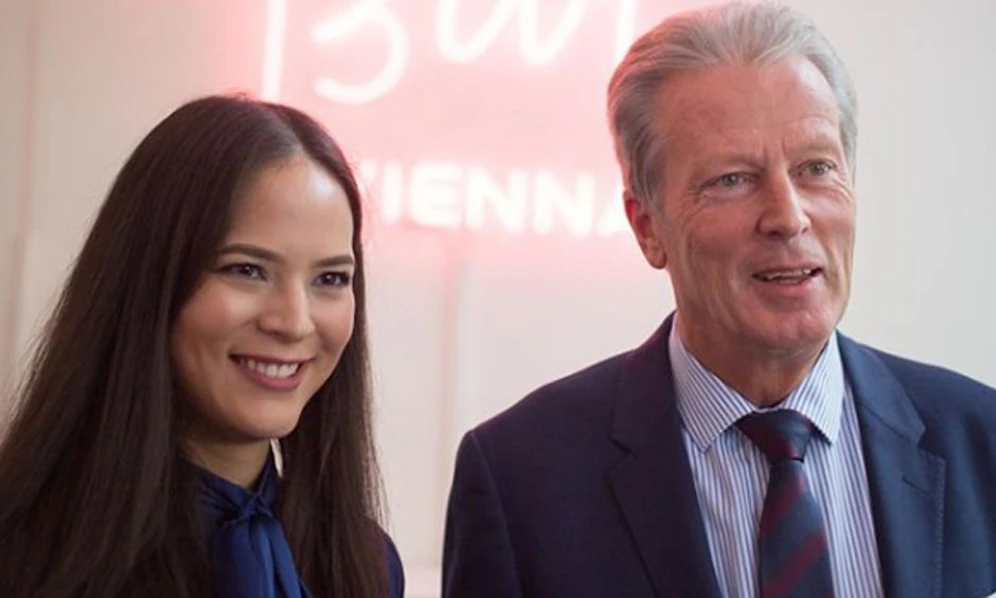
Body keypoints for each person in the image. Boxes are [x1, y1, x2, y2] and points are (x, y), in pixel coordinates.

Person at [442, 3, 996, 597]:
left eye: (816, 168)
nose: (788, 216)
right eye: (732, 179)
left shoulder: (981, 440)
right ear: (647, 227)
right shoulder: (520, 480)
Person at [0, 95, 404, 598]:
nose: (294, 322)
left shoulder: (366, 562)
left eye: (330, 278)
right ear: (149, 281)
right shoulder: (21, 553)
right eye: (247, 270)